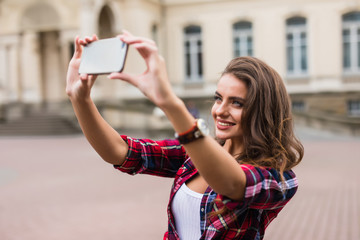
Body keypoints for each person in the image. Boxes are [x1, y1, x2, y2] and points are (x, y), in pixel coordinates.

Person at [66, 31, 303, 240]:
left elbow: (231, 182)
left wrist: (170, 103)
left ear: (262, 110)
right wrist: (80, 99)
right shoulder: (194, 155)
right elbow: (121, 152)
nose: (220, 110)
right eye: (218, 98)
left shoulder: (280, 180)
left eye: (237, 103)